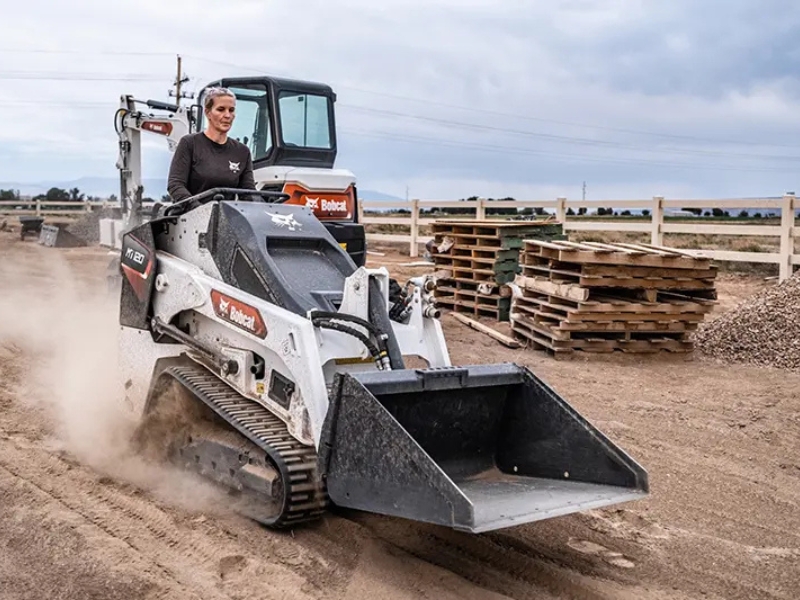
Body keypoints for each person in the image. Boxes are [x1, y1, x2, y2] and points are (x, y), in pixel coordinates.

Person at [167, 87, 257, 202]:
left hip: (226, 218)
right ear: (207, 112)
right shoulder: (189, 144)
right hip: (191, 215)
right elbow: (175, 185)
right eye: (221, 109)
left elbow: (248, 193)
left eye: (231, 110)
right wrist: (199, 210)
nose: (227, 115)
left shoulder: (242, 152)